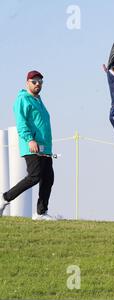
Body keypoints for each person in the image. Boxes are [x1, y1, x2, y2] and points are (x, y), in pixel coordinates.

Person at [0, 71, 55, 220]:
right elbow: (21, 122)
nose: (38, 84)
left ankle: (40, 213)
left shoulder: (38, 100)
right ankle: (5, 198)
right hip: (32, 145)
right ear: (27, 83)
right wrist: (30, 139)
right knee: (34, 176)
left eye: (40, 82)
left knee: (48, 178)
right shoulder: (23, 99)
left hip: (45, 147)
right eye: (34, 81)